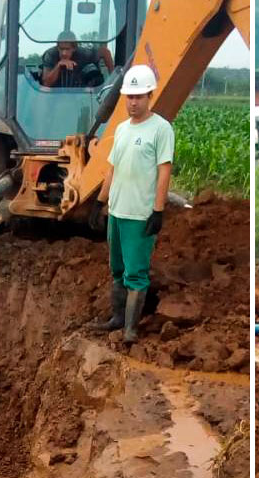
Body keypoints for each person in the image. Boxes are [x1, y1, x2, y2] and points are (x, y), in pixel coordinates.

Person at [91, 65, 174, 344]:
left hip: (140, 215)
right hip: (117, 211)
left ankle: (130, 329)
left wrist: (158, 209)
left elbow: (164, 170)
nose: (133, 102)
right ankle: (117, 317)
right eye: (129, 96)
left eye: (138, 97)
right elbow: (112, 169)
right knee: (117, 268)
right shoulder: (122, 129)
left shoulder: (161, 129)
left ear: (150, 95)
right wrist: (100, 203)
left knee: (136, 273)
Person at [41, 30, 114, 88]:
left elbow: (105, 52)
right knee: (44, 90)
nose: (64, 53)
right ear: (57, 47)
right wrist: (58, 66)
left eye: (67, 49)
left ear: (74, 48)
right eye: (61, 49)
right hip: (55, 94)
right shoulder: (51, 55)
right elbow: (46, 83)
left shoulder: (84, 54)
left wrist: (113, 78)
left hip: (78, 93)